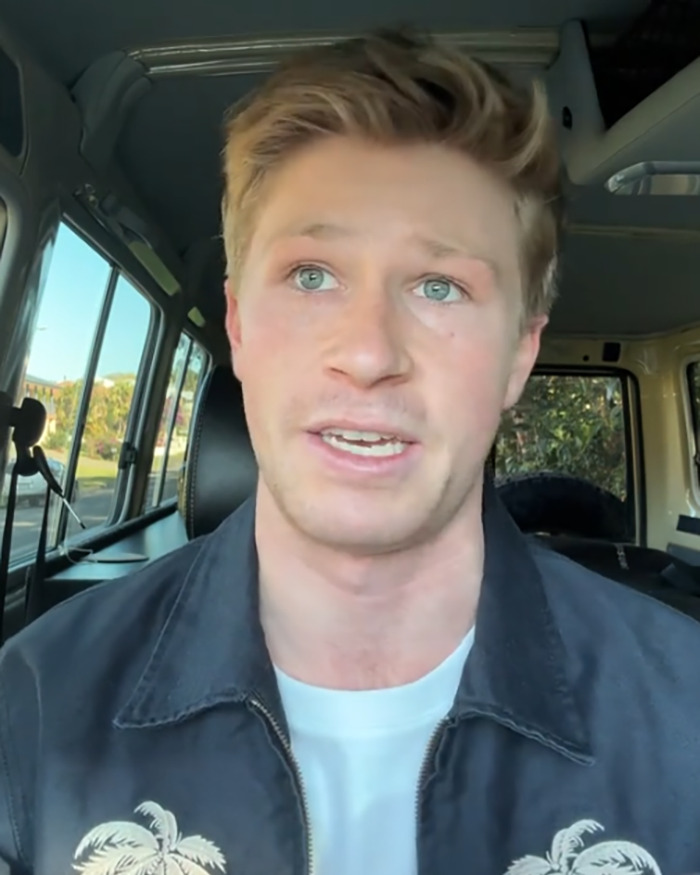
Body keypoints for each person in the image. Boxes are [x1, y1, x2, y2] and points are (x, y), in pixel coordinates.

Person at [2, 27, 700, 875]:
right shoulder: (35, 699)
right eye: (312, 275)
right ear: (238, 324)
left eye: (440, 286)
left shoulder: (684, 712)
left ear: (520, 353)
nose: (369, 354)